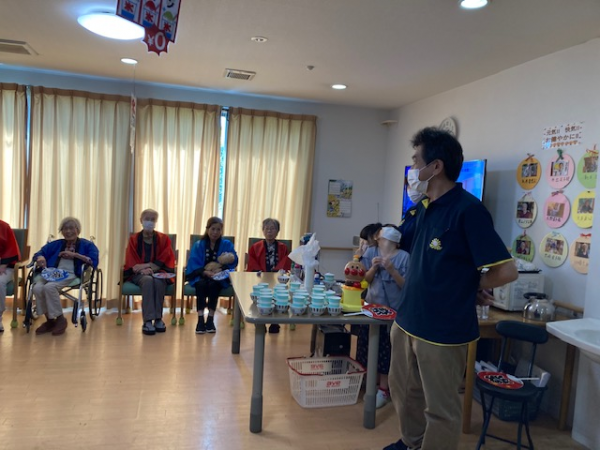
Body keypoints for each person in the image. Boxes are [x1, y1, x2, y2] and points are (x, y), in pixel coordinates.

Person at [384, 127, 517, 450]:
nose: (412, 169)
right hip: (408, 320)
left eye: (416, 161)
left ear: (436, 166)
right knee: (404, 391)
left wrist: (469, 283)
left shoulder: (468, 211)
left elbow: (506, 270)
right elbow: (416, 252)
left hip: (443, 331)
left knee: (440, 409)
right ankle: (412, 442)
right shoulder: (424, 208)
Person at [356, 226, 409, 409]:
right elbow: (365, 280)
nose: (380, 242)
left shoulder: (404, 257)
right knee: (368, 345)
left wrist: (392, 270)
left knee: (386, 351)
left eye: (383, 239)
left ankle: (384, 389)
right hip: (371, 308)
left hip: (393, 312)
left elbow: (406, 286)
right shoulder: (371, 252)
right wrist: (373, 267)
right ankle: (370, 383)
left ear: (394, 242)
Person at [32, 217, 99, 336]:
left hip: (71, 273)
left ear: (78, 230)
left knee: (49, 287)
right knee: (37, 288)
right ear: (61, 231)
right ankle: (50, 321)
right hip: (52, 272)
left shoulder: (87, 245)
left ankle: (60, 319)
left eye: (71, 228)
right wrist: (40, 257)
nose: (68, 231)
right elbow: (39, 253)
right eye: (65, 229)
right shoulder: (56, 244)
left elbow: (93, 261)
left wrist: (75, 255)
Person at [123, 209, 175, 336]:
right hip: (139, 274)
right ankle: (147, 321)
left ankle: (158, 319)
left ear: (156, 222)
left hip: (159, 270)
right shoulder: (134, 239)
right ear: (141, 220)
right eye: (147, 219)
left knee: (158, 281)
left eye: (153, 219)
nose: (150, 222)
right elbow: (132, 261)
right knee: (147, 280)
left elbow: (165, 258)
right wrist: (142, 270)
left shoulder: (164, 239)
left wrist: (148, 266)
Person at [186, 217, 238, 334]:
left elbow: (233, 260)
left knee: (214, 285)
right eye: (213, 229)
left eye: (218, 229)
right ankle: (200, 319)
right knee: (200, 285)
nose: (215, 232)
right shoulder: (198, 244)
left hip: (219, 276)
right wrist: (205, 272)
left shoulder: (227, 244)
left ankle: (210, 319)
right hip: (201, 274)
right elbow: (193, 262)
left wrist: (220, 270)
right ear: (207, 229)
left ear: (221, 231)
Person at [247, 218, 291, 334]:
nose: (269, 231)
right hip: (260, 278)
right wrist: (262, 273)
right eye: (267, 228)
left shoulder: (283, 247)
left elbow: (285, 262)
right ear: (263, 230)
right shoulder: (255, 247)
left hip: (277, 278)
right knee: (260, 297)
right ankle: (260, 322)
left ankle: (275, 322)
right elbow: (252, 262)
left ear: (277, 231)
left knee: (277, 296)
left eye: (273, 228)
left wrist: (275, 272)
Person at [0, 220, 21, 332]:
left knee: (0, 281)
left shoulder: (4, 226)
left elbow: (11, 248)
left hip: (5, 266)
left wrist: (3, 264)